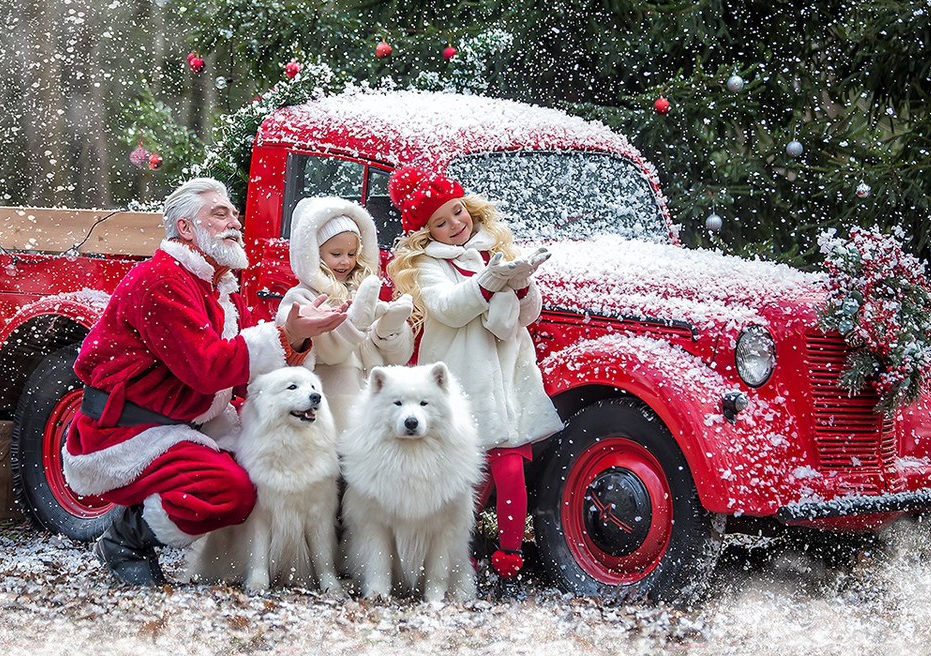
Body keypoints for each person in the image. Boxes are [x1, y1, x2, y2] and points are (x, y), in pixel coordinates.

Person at [61, 177, 347, 586]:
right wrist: (283, 335)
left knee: (258, 471)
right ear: (186, 229)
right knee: (230, 489)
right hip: (127, 430)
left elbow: (249, 377)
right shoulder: (159, 280)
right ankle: (125, 539)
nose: (235, 222)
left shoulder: (221, 288)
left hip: (187, 422)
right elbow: (207, 367)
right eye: (220, 213)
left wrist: (296, 337)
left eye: (233, 213)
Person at [386, 165, 561, 582]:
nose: (455, 225)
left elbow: (526, 317)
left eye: (457, 212)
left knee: (510, 468)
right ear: (427, 233)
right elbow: (449, 307)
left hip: (505, 378)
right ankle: (449, 556)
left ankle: (509, 557)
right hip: (462, 379)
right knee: (461, 477)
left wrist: (520, 285)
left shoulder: (492, 249)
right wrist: (488, 282)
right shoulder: (429, 266)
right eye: (440, 223)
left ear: (469, 207)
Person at [276, 197, 414, 433]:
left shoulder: (362, 290)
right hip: (332, 413)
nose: (346, 262)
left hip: (374, 409)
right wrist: (355, 323)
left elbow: (397, 359)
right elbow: (327, 353)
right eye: (336, 253)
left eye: (352, 254)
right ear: (313, 254)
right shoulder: (300, 298)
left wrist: (389, 330)